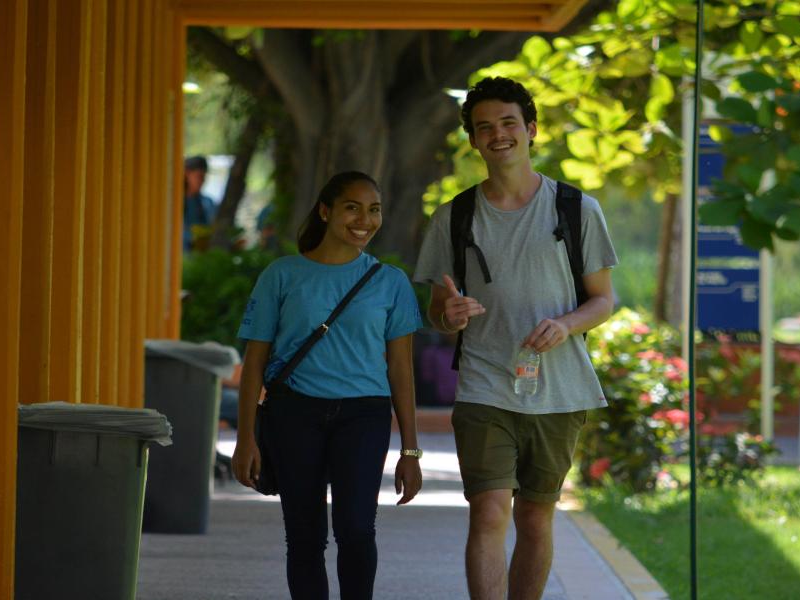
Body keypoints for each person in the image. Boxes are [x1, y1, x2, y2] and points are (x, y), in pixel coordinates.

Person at [413, 77, 618, 599]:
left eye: (508, 123)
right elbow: (438, 311)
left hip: (558, 389)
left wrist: (567, 324)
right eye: (484, 128)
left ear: (530, 130)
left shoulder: (576, 209)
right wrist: (450, 315)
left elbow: (603, 300)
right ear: (474, 141)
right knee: (487, 510)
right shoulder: (453, 216)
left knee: (535, 514)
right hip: (484, 384)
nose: (498, 135)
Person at [232, 171, 424, 600]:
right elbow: (255, 363)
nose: (365, 219)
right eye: (352, 207)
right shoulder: (281, 275)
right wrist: (246, 439)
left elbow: (400, 368)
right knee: (304, 537)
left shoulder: (390, 282)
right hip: (293, 413)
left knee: (356, 529)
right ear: (325, 211)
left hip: (363, 414)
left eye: (373, 209)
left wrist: (410, 451)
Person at [183, 155, 217, 252]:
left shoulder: (208, 202)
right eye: (199, 176)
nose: (202, 181)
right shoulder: (174, 203)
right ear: (186, 174)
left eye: (204, 177)